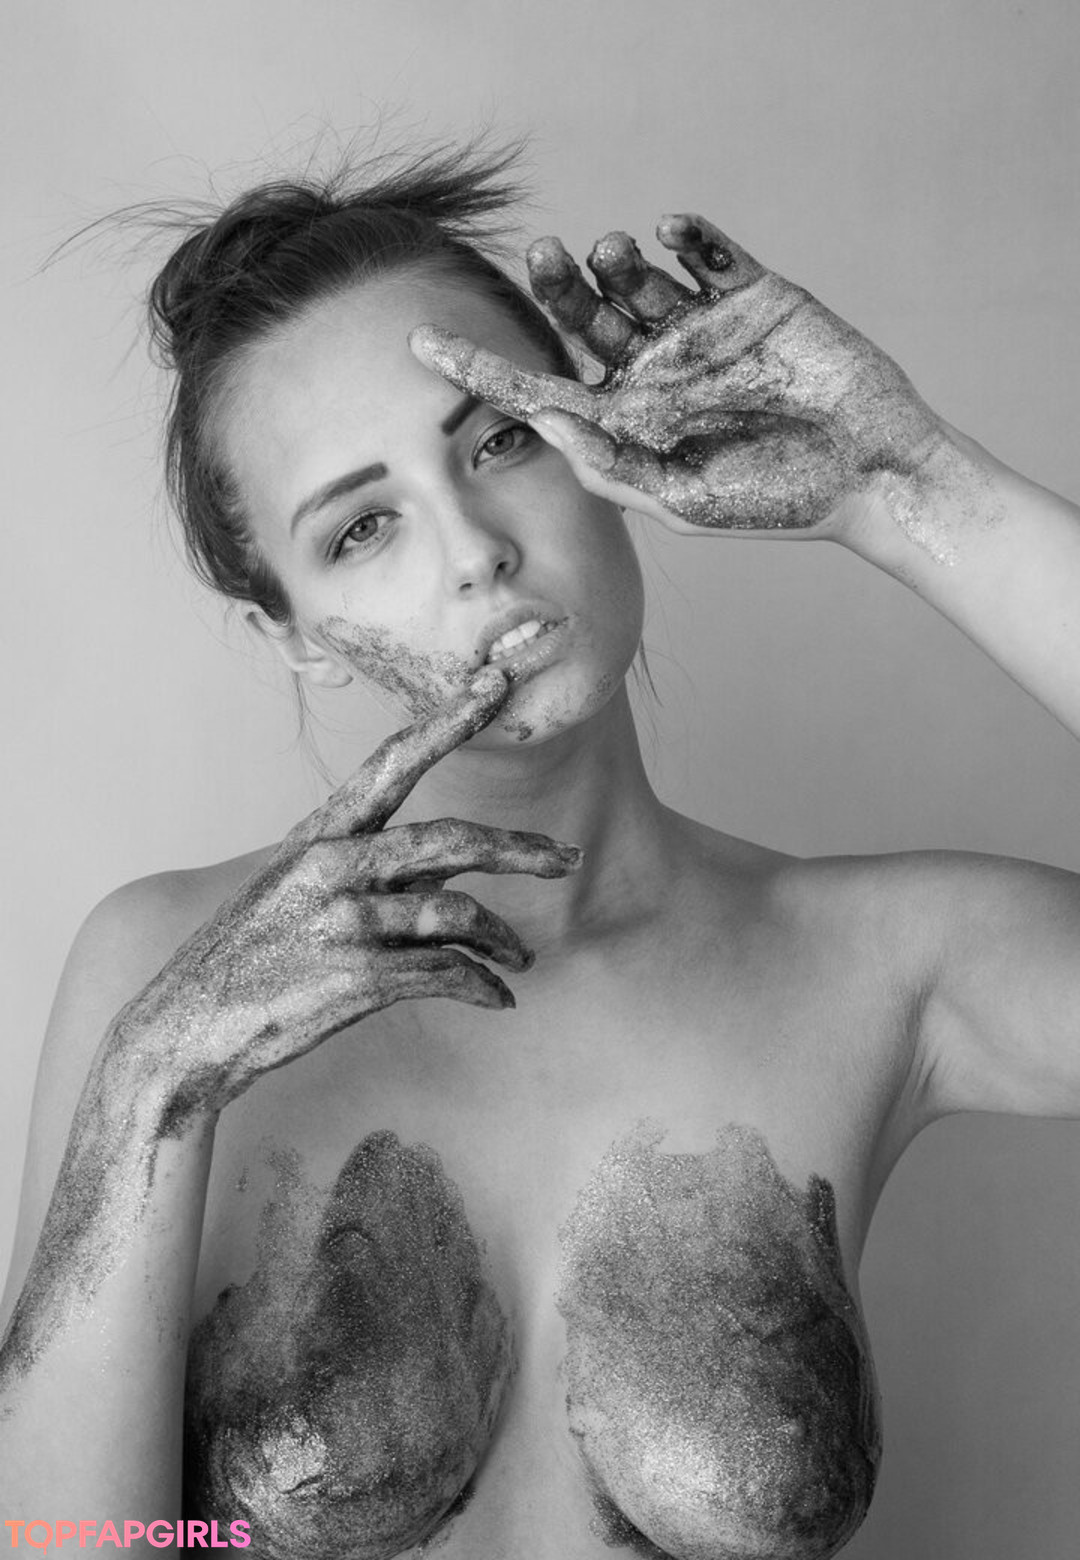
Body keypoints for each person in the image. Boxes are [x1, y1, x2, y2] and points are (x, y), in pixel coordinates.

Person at [2, 141, 1079, 1560]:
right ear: (292, 635)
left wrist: (908, 491)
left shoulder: (886, 964)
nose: (473, 550)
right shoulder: (162, 971)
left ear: (603, 436)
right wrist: (154, 1083)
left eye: (499, 441)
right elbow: (69, 1550)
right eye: (363, 527)